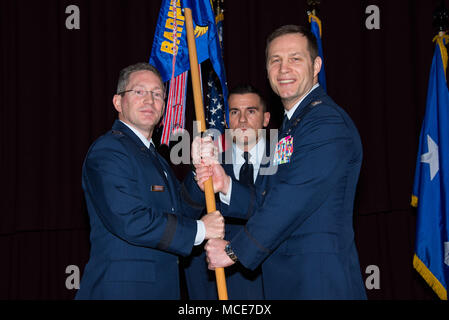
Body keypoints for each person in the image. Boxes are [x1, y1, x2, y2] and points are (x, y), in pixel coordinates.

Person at [198, 25, 367, 299]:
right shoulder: (291, 127)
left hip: (319, 282)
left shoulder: (325, 123)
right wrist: (226, 184)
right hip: (289, 280)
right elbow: (268, 198)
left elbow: (291, 200)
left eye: (295, 59)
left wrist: (234, 250)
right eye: (275, 60)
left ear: (316, 65)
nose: (283, 68)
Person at [76, 62, 224, 300]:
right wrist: (201, 230)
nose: (149, 100)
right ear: (118, 102)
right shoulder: (109, 151)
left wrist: (199, 176)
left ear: (164, 106)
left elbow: (178, 211)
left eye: (157, 94)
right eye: (139, 92)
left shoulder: (155, 158)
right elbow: (131, 220)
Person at [184, 84, 270, 299]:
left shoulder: (286, 160)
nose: (242, 120)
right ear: (226, 120)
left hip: (274, 281)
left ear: (266, 118)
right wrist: (198, 171)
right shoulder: (211, 164)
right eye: (234, 112)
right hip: (223, 286)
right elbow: (184, 213)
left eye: (251, 111)